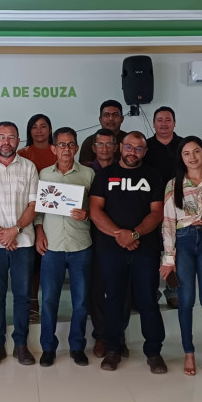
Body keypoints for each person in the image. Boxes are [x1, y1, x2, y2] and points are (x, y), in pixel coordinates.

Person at [90, 131, 167, 374]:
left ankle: (154, 352)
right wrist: (119, 235)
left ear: (144, 152)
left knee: (147, 300)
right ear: (120, 148)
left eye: (138, 149)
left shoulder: (153, 176)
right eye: (129, 147)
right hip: (110, 250)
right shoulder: (104, 175)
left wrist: (133, 234)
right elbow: (95, 210)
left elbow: (157, 213)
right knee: (112, 300)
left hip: (145, 250)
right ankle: (113, 349)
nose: (132, 152)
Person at [0, 121, 39, 367]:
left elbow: (34, 205)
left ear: (18, 141)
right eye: (1, 136)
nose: (6, 141)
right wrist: (2, 233)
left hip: (22, 242)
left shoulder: (29, 167)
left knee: (23, 296)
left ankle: (21, 345)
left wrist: (15, 231)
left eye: (11, 137)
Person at [160, 136, 202, 377]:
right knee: (185, 301)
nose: (192, 157)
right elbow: (167, 222)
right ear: (182, 157)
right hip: (184, 241)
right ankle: (189, 353)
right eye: (187, 153)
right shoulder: (173, 184)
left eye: (196, 151)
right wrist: (168, 258)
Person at [34, 127, 95, 367]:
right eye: (61, 144)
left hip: (81, 245)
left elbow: (99, 209)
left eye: (70, 144)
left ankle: (77, 347)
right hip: (52, 247)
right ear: (53, 148)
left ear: (77, 148)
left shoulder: (89, 175)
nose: (66, 149)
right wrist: (39, 231)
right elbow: (38, 210)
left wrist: (86, 214)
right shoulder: (43, 174)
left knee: (80, 301)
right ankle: (48, 347)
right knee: (48, 300)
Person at [85, 127, 123, 357]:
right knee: (97, 289)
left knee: (121, 289)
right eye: (100, 144)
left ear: (116, 147)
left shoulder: (126, 169)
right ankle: (100, 336)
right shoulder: (86, 171)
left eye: (110, 144)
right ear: (93, 147)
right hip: (93, 236)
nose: (105, 148)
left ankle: (119, 336)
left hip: (121, 236)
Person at [16, 114, 56, 323]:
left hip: (54, 215)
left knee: (48, 262)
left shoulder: (58, 151)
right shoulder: (23, 153)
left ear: (50, 129)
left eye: (43, 126)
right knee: (32, 263)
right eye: (34, 127)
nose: (39, 130)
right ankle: (32, 303)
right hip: (28, 214)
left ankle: (50, 302)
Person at [144, 106, 183, 309]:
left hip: (180, 207)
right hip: (152, 207)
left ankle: (173, 291)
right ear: (154, 123)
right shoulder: (146, 147)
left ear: (174, 123)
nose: (164, 123)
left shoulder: (184, 145)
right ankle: (152, 292)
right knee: (153, 251)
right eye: (160, 120)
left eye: (168, 119)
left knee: (173, 249)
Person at [78, 100, 127, 165]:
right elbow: (86, 169)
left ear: (122, 119)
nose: (111, 118)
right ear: (100, 119)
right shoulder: (89, 141)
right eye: (106, 115)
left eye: (115, 115)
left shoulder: (129, 140)